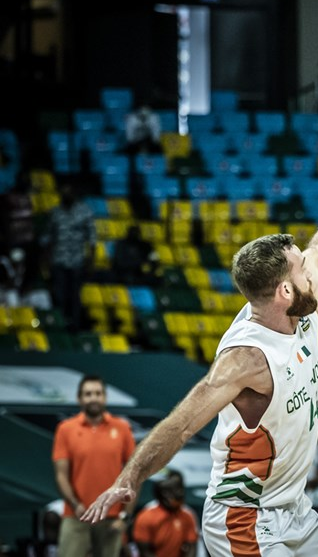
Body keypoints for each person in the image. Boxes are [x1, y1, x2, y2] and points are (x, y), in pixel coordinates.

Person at [81, 78, 318, 557]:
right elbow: (181, 425)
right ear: (284, 291)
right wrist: (130, 477)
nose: (315, 268)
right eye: (302, 267)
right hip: (243, 517)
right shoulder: (245, 358)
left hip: (293, 509)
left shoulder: (301, 297)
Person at [52, 374, 137, 557]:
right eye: (88, 394)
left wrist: (124, 516)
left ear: (105, 397)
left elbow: (134, 474)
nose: (94, 398)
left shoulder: (122, 428)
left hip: (111, 517)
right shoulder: (66, 429)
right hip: (76, 515)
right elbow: (61, 475)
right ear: (80, 398)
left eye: (98, 393)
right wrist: (76, 505)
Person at [41, 182, 95, 333]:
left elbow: (92, 240)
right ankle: (60, 325)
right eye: (64, 192)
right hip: (58, 260)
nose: (66, 194)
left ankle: (74, 327)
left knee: (74, 296)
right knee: (59, 295)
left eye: (69, 191)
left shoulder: (85, 212)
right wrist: (46, 262)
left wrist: (91, 262)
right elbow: (47, 239)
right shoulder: (55, 213)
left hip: (77, 261)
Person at [132, 476, 198, 557]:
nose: (180, 494)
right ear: (164, 496)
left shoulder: (187, 515)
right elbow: (145, 551)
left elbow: (192, 547)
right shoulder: (146, 517)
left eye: (181, 491)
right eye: (176, 492)